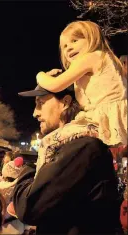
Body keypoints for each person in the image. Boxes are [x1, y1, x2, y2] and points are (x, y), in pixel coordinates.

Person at [12, 84, 123, 234]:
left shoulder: (82, 147)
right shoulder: (71, 146)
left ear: (65, 102)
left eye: (40, 103)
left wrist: (25, 172)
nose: (35, 113)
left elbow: (28, 207)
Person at [36, 20, 127, 148]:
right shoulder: (102, 60)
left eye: (75, 40)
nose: (69, 47)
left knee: (49, 141)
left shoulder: (91, 57)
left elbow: (56, 85)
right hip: (107, 119)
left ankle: (43, 167)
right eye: (65, 46)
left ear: (92, 38)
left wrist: (40, 75)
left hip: (102, 118)